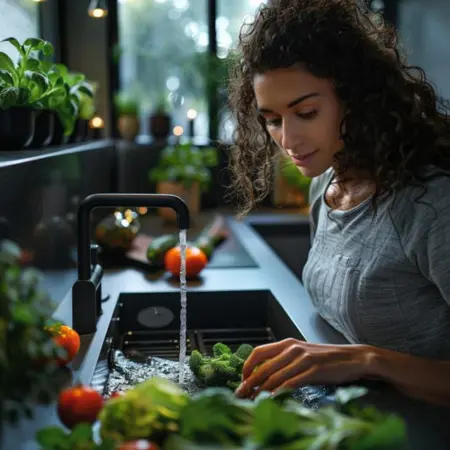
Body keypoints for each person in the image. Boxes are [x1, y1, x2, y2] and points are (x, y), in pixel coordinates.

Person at [227, 0, 450, 406]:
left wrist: (368, 360)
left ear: (357, 98)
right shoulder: (326, 184)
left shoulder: (431, 204)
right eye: (273, 120)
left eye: (306, 112)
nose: (288, 141)